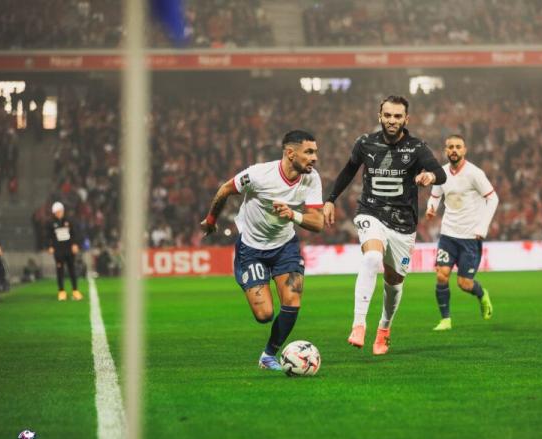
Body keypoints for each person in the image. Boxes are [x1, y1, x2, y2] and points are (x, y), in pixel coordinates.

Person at [323, 95, 447, 355]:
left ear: (406, 119)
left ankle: (384, 328)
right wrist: (330, 199)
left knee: (394, 282)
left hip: (404, 223)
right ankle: (359, 325)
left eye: (397, 116)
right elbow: (348, 171)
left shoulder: (416, 147)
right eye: (387, 115)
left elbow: (441, 173)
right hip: (371, 212)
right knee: (371, 257)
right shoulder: (365, 143)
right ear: (380, 116)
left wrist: (429, 175)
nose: (392, 121)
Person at [200, 130, 323, 371]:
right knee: (264, 314)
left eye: (315, 152)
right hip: (252, 249)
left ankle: (268, 355)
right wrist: (211, 219)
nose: (314, 157)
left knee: (293, 300)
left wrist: (293, 214)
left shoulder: (312, 178)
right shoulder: (258, 175)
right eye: (309, 152)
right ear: (290, 153)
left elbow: (317, 223)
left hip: (285, 246)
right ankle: (249, 279)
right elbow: (225, 189)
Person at [425, 135, 499, 331]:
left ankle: (482, 294)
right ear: (445, 150)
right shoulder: (440, 173)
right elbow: (435, 196)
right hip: (448, 234)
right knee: (441, 275)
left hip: (470, 238)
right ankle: (446, 319)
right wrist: (431, 207)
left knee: (464, 283)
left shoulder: (475, 173)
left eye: (458, 147)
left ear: (464, 150)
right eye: (450, 147)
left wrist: (483, 226)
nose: (454, 150)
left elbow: (493, 199)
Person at [47, 202, 83, 301]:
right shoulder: (51, 223)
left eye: (60, 211)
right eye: (57, 211)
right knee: (60, 271)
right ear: (54, 212)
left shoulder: (69, 221)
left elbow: (74, 233)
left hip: (69, 249)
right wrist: (50, 246)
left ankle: (75, 290)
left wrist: (75, 244)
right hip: (58, 250)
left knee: (72, 270)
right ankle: (61, 291)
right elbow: (48, 236)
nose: (59, 213)